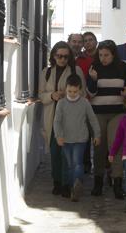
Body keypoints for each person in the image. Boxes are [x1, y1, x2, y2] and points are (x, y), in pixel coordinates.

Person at [39, 41, 86, 197]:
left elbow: (83, 94)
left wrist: (68, 96)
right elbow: (40, 94)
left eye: (66, 57)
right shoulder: (46, 72)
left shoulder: (75, 70)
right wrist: (52, 95)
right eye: (59, 56)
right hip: (52, 117)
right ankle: (57, 182)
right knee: (54, 152)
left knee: (67, 152)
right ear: (53, 55)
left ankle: (67, 184)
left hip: (70, 118)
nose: (62, 59)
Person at [87, 40, 126, 198]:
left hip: (117, 113)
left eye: (106, 55)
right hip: (98, 113)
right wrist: (93, 80)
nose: (103, 58)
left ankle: (117, 182)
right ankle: (98, 181)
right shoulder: (94, 68)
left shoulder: (123, 68)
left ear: (114, 54)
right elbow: (90, 94)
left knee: (116, 146)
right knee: (99, 147)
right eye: (100, 55)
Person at [53, 74, 101, 202]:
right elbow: (57, 121)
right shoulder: (61, 103)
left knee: (77, 163)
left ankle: (77, 183)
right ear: (66, 89)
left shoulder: (85, 103)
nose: (72, 93)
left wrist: (97, 134)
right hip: (66, 139)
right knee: (70, 165)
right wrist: (58, 136)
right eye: (70, 91)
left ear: (80, 90)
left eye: (75, 91)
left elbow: (92, 119)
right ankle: (72, 186)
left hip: (80, 138)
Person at [67, 33, 94, 173]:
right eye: (74, 41)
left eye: (80, 41)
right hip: (65, 103)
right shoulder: (63, 58)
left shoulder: (89, 61)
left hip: (83, 102)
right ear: (69, 42)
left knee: (85, 134)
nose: (77, 44)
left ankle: (85, 163)